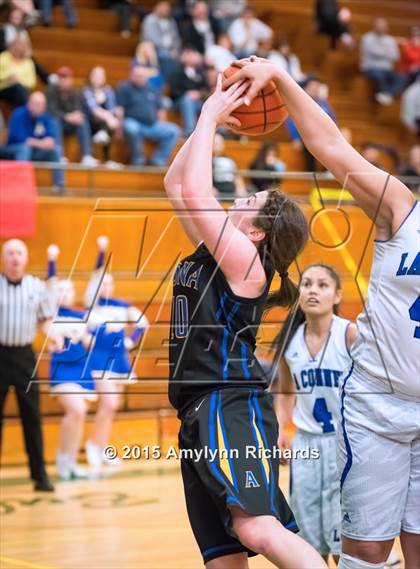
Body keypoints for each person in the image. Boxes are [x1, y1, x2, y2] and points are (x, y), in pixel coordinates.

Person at [225, 55, 419, 569]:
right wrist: (283, 77)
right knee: (366, 551)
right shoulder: (401, 208)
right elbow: (330, 146)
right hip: (379, 405)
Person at [164, 73, 328, 568]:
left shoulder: (246, 264)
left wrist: (212, 114)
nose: (238, 198)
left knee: (256, 528)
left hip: (227, 403)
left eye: (249, 203)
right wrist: (208, 122)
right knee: (224, 559)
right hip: (197, 410)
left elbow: (195, 188)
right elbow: (176, 183)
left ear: (256, 232)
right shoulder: (220, 251)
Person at [272, 264, 357, 565]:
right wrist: (280, 427)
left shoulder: (350, 334)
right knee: (307, 539)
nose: (312, 290)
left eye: (322, 285)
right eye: (307, 284)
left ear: (337, 295)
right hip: (306, 447)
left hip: (345, 445)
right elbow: (285, 391)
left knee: (342, 540)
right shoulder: (289, 342)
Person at [0, 239, 63, 492]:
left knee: (32, 417)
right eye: (11, 253)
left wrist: (54, 336)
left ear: (25, 258)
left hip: (25, 358)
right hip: (0, 356)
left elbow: (44, 321)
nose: (15, 258)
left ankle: (39, 475)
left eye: (20, 253)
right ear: (4, 258)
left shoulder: (36, 287)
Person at [83, 236, 148, 473]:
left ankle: (102, 447)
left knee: (113, 406)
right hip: (99, 360)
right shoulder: (93, 307)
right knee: (108, 402)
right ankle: (92, 445)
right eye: (102, 284)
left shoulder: (121, 306)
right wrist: (101, 252)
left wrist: (132, 340)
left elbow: (143, 322)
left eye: (109, 284)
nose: (105, 287)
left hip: (120, 360)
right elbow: (95, 275)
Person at [46, 244, 95, 481]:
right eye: (61, 290)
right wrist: (52, 259)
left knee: (81, 412)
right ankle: (62, 457)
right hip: (62, 370)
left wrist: (88, 340)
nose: (65, 293)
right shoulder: (52, 314)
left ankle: (72, 460)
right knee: (76, 409)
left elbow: (88, 341)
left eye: (69, 289)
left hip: (81, 370)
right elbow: (51, 282)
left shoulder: (81, 316)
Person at [117, 65, 181, 166]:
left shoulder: (152, 89)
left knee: (174, 131)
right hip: (134, 123)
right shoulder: (125, 88)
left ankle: (158, 159)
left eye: (143, 76)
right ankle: (138, 158)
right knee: (130, 127)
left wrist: (161, 123)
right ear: (131, 75)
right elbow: (119, 110)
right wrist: (119, 128)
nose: (140, 78)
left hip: (152, 125)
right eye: (137, 75)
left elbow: (160, 109)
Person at [2, 91, 64, 190]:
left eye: (42, 104)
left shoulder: (45, 117)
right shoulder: (18, 114)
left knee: (55, 151)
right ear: (29, 104)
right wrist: (41, 143)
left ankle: (59, 185)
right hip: (11, 151)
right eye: (36, 104)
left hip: (33, 152)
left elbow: (51, 142)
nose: (39, 107)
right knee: (24, 149)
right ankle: (21, 183)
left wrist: (35, 142)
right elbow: (23, 140)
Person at [47, 66, 98, 166]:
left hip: (71, 124)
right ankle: (59, 155)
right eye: (61, 78)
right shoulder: (50, 91)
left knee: (82, 121)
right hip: (58, 122)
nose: (64, 81)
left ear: (71, 80)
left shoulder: (75, 92)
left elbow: (78, 109)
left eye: (66, 78)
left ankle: (87, 156)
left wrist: (75, 116)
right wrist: (66, 117)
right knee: (55, 121)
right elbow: (51, 110)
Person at [286, 77, 336, 172]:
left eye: (317, 86)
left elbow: (333, 120)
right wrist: (296, 138)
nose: (315, 89)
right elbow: (291, 121)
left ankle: (329, 171)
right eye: (313, 86)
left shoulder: (324, 103)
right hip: (306, 137)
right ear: (305, 88)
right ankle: (311, 173)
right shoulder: (299, 102)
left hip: (324, 136)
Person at [360, 18, 405, 105]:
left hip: (387, 69)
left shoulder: (390, 40)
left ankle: (387, 94)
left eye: (383, 26)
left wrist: (382, 51)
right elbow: (375, 52)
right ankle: (385, 94)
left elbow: (395, 56)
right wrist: (386, 51)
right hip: (371, 68)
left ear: (387, 28)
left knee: (402, 77)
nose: (381, 28)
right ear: (374, 27)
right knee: (378, 75)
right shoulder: (367, 38)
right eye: (379, 26)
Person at [83, 66, 122, 167]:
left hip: (106, 124)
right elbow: (94, 110)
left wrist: (113, 117)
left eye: (101, 76)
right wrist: (109, 117)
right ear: (90, 77)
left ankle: (108, 159)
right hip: (91, 123)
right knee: (110, 121)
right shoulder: (87, 91)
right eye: (96, 75)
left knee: (114, 121)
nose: (98, 78)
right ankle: (93, 156)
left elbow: (113, 107)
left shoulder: (108, 90)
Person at [169, 47, 209, 137]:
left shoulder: (201, 73)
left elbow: (207, 90)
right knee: (187, 100)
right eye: (188, 53)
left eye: (193, 53)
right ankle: (190, 132)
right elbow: (174, 92)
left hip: (198, 102)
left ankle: (218, 130)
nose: (191, 56)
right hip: (179, 102)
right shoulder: (176, 72)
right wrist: (187, 94)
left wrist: (199, 94)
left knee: (210, 103)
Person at [141, 1, 181, 80]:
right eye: (163, 8)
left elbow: (176, 39)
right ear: (156, 8)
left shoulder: (172, 22)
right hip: (154, 49)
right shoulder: (150, 19)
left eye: (167, 9)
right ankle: (168, 82)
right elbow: (151, 38)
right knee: (166, 56)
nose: (165, 10)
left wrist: (175, 50)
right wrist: (168, 51)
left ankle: (172, 82)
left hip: (171, 50)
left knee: (180, 58)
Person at [0, 34, 35, 108]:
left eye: (23, 45)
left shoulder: (29, 62)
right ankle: (24, 114)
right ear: (13, 45)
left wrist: (19, 81)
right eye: (18, 44)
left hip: (20, 90)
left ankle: (20, 115)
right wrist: (8, 77)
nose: (20, 47)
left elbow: (32, 82)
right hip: (3, 89)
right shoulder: (4, 56)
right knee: (17, 89)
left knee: (19, 89)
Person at [212, 131, 247, 197]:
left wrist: (240, 188)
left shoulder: (229, 160)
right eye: (215, 143)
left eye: (218, 144)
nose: (216, 146)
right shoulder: (206, 161)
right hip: (216, 190)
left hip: (231, 189)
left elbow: (237, 176)